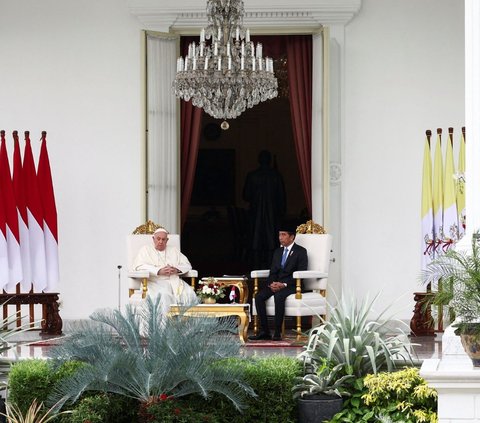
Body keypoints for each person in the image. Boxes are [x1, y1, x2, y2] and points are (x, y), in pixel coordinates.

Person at [249, 226, 308, 341]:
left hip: (293, 285)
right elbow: (273, 271)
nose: (280, 238)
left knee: (279, 296)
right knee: (259, 296)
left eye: (284, 235)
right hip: (276, 284)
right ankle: (265, 331)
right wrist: (272, 283)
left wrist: (284, 284)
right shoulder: (278, 251)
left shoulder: (301, 251)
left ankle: (277, 332)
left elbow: (301, 273)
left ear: (292, 237)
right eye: (279, 235)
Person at [133, 227, 198, 314]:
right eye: (158, 239)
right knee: (164, 296)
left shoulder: (173, 250)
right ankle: (164, 326)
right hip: (154, 282)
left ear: (167, 240)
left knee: (190, 294)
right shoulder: (145, 250)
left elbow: (187, 265)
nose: (160, 241)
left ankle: (187, 327)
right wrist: (158, 270)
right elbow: (139, 266)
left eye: (163, 239)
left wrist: (176, 269)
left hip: (174, 281)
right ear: (153, 239)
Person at [243, 150, 286, 269]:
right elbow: (281, 198)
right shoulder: (276, 176)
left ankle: (255, 267)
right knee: (271, 240)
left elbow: (245, 195)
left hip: (255, 214)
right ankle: (271, 267)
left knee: (255, 240)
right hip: (273, 215)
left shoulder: (252, 176)